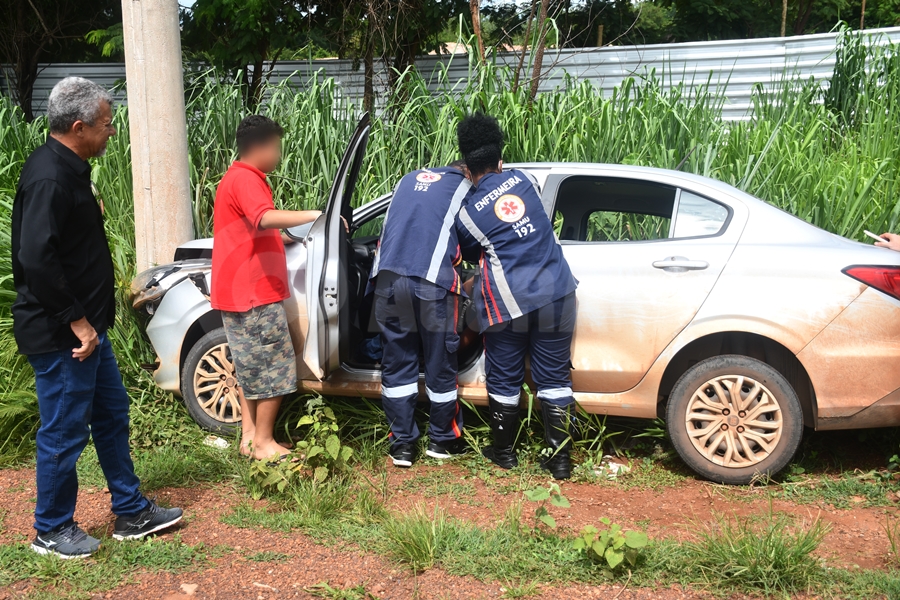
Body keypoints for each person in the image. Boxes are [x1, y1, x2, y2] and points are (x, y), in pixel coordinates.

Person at [12, 77, 183, 559]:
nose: (112, 131)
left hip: (89, 329)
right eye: (107, 124)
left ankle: (130, 510)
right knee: (64, 431)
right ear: (79, 125)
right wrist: (78, 322)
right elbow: (37, 260)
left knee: (111, 415)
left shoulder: (71, 169)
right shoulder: (49, 175)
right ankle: (51, 529)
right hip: (65, 334)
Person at [454, 114, 579, 480]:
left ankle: (503, 452)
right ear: (500, 160)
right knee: (554, 378)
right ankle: (559, 461)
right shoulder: (524, 181)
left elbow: (471, 253)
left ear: (466, 166)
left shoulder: (467, 215)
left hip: (510, 304)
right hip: (558, 292)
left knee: (505, 377)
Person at [210, 115, 322, 461]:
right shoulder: (246, 179)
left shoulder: (236, 177)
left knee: (250, 367)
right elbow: (263, 217)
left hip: (239, 291)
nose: (278, 155)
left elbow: (256, 228)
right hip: (254, 292)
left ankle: (249, 437)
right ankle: (264, 443)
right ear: (259, 147)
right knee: (275, 364)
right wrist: (315, 214)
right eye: (276, 147)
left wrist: (289, 237)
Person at [370, 161, 472, 467]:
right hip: (432, 283)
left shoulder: (407, 178)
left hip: (388, 280)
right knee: (440, 362)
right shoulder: (463, 187)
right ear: (466, 171)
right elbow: (471, 240)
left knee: (398, 361)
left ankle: (402, 446)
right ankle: (442, 440)